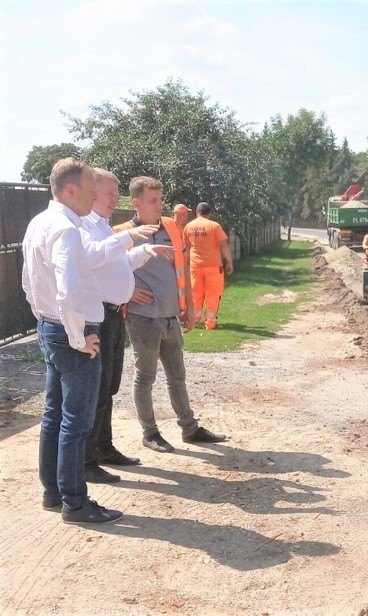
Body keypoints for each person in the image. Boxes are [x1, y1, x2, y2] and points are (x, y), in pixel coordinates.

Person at [21, 158, 122, 524]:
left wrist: (44, 319)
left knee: (53, 416)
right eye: (91, 189)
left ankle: (54, 493)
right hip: (71, 334)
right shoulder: (65, 228)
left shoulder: (39, 223)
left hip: (50, 327)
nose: (96, 195)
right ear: (71, 190)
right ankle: (76, 503)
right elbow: (68, 290)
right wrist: (78, 337)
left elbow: (29, 283)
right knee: (75, 423)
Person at [114, 177, 227, 453]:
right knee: (146, 376)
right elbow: (107, 274)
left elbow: (183, 268)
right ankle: (150, 433)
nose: (159, 204)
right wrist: (127, 294)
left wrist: (188, 307)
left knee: (177, 375)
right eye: (153, 200)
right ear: (136, 202)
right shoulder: (121, 233)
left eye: (160, 199)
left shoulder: (172, 228)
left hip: (169, 316)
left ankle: (189, 429)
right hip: (142, 319)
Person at [78, 168, 170, 483]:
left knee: (110, 385)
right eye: (109, 193)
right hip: (98, 316)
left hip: (114, 314)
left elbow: (116, 266)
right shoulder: (86, 227)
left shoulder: (103, 226)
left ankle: (104, 448)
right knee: (98, 388)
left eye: (117, 193)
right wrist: (129, 237)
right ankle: (88, 459)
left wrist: (143, 252)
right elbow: (93, 261)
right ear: (91, 193)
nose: (114, 198)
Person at [182, 201, 233, 330]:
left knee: (195, 293)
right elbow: (224, 245)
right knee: (213, 294)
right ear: (209, 214)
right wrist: (229, 262)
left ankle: (194, 320)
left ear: (196, 212)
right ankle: (210, 323)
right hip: (213, 266)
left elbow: (186, 248)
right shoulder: (214, 226)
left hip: (195, 266)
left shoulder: (188, 226)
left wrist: (184, 264)